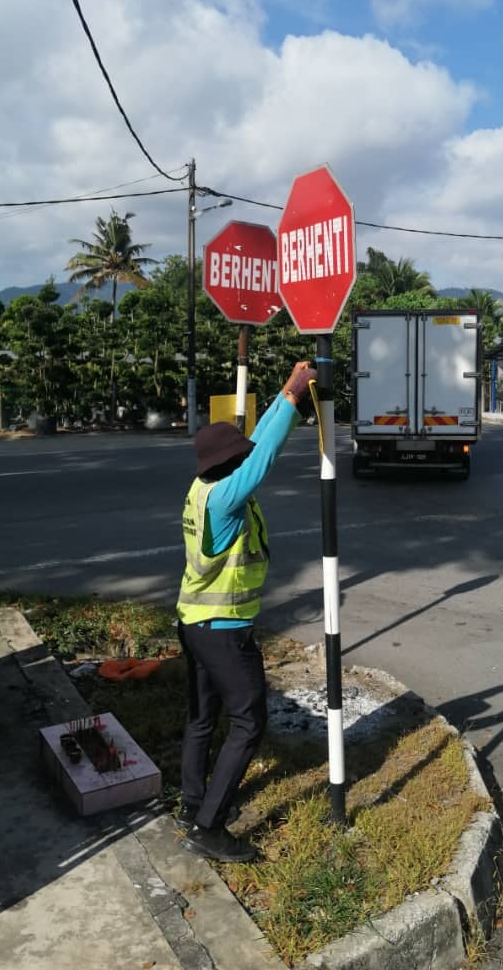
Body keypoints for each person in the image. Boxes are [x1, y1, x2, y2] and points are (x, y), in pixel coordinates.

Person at [176, 360, 317, 863]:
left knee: (200, 720)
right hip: (223, 631)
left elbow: (252, 449)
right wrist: (297, 395)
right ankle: (208, 828)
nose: (243, 459)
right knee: (248, 722)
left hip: (192, 622)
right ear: (227, 465)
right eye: (236, 456)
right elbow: (263, 459)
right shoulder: (228, 498)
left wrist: (283, 396)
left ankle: (193, 804)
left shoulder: (203, 489)